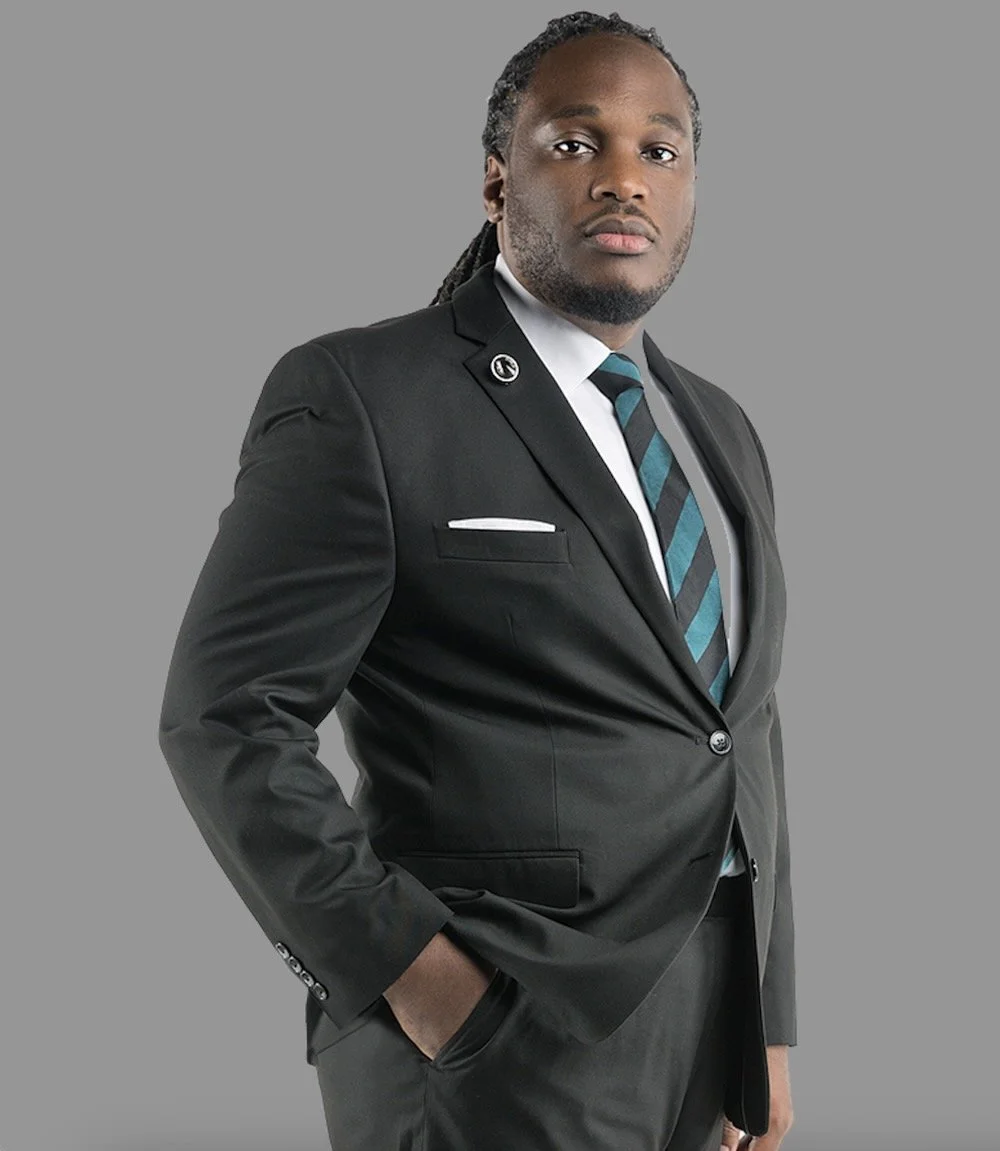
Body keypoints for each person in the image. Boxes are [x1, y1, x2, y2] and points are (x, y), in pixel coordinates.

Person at [158, 10, 796, 1150]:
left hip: (706, 1029)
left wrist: (769, 1025)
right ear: (497, 181)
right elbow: (224, 719)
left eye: (661, 149)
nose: (623, 179)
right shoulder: (365, 394)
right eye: (573, 142)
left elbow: (737, 726)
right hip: (494, 1024)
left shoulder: (718, 427)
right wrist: (413, 975)